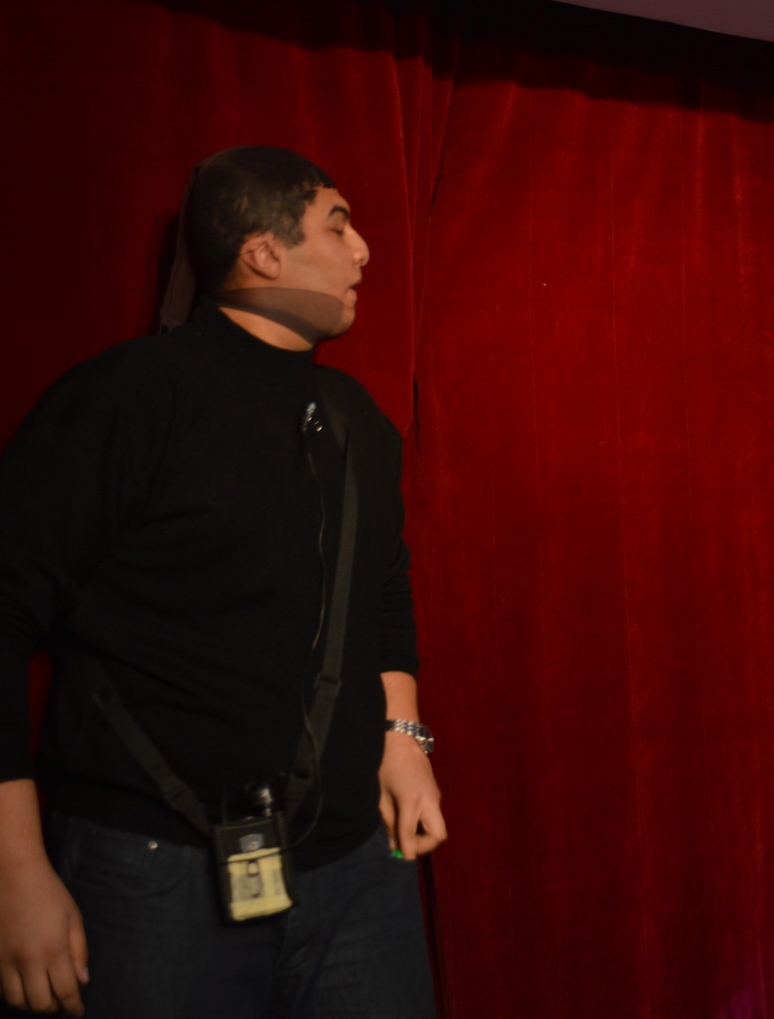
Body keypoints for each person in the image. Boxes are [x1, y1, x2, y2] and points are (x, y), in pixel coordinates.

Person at [0, 146, 446, 1017]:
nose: (363, 252)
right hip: (150, 873)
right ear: (263, 251)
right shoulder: (129, 396)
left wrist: (405, 740)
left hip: (356, 869)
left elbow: (383, 592)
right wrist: (15, 875)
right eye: (338, 226)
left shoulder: (356, 419)